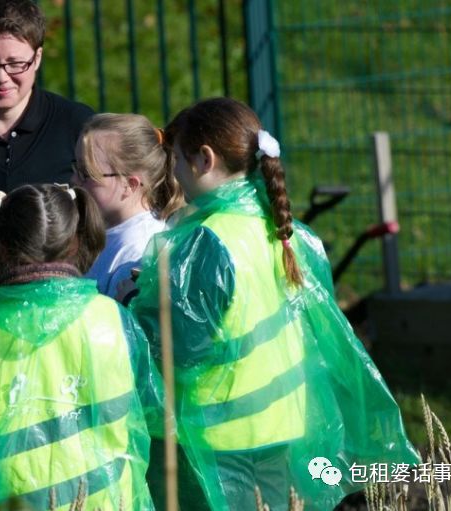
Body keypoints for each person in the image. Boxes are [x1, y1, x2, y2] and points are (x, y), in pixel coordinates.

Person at [129, 98, 420, 510]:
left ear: (204, 160)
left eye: (176, 159)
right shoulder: (288, 233)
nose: (173, 172)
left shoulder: (204, 242)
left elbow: (176, 349)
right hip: (282, 429)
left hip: (218, 444)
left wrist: (139, 303)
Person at [0, 184, 164, 509]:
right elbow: (156, 412)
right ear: (76, 239)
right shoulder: (113, 318)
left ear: (0, 243)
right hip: (106, 501)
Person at [0, 0, 96, 334]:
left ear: (37, 58)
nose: (1, 77)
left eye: (15, 63)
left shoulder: (77, 126)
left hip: (63, 325)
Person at [74, 113, 185, 300]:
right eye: (75, 168)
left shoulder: (138, 251)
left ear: (130, 185)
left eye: (86, 173)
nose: (74, 180)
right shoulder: (103, 229)